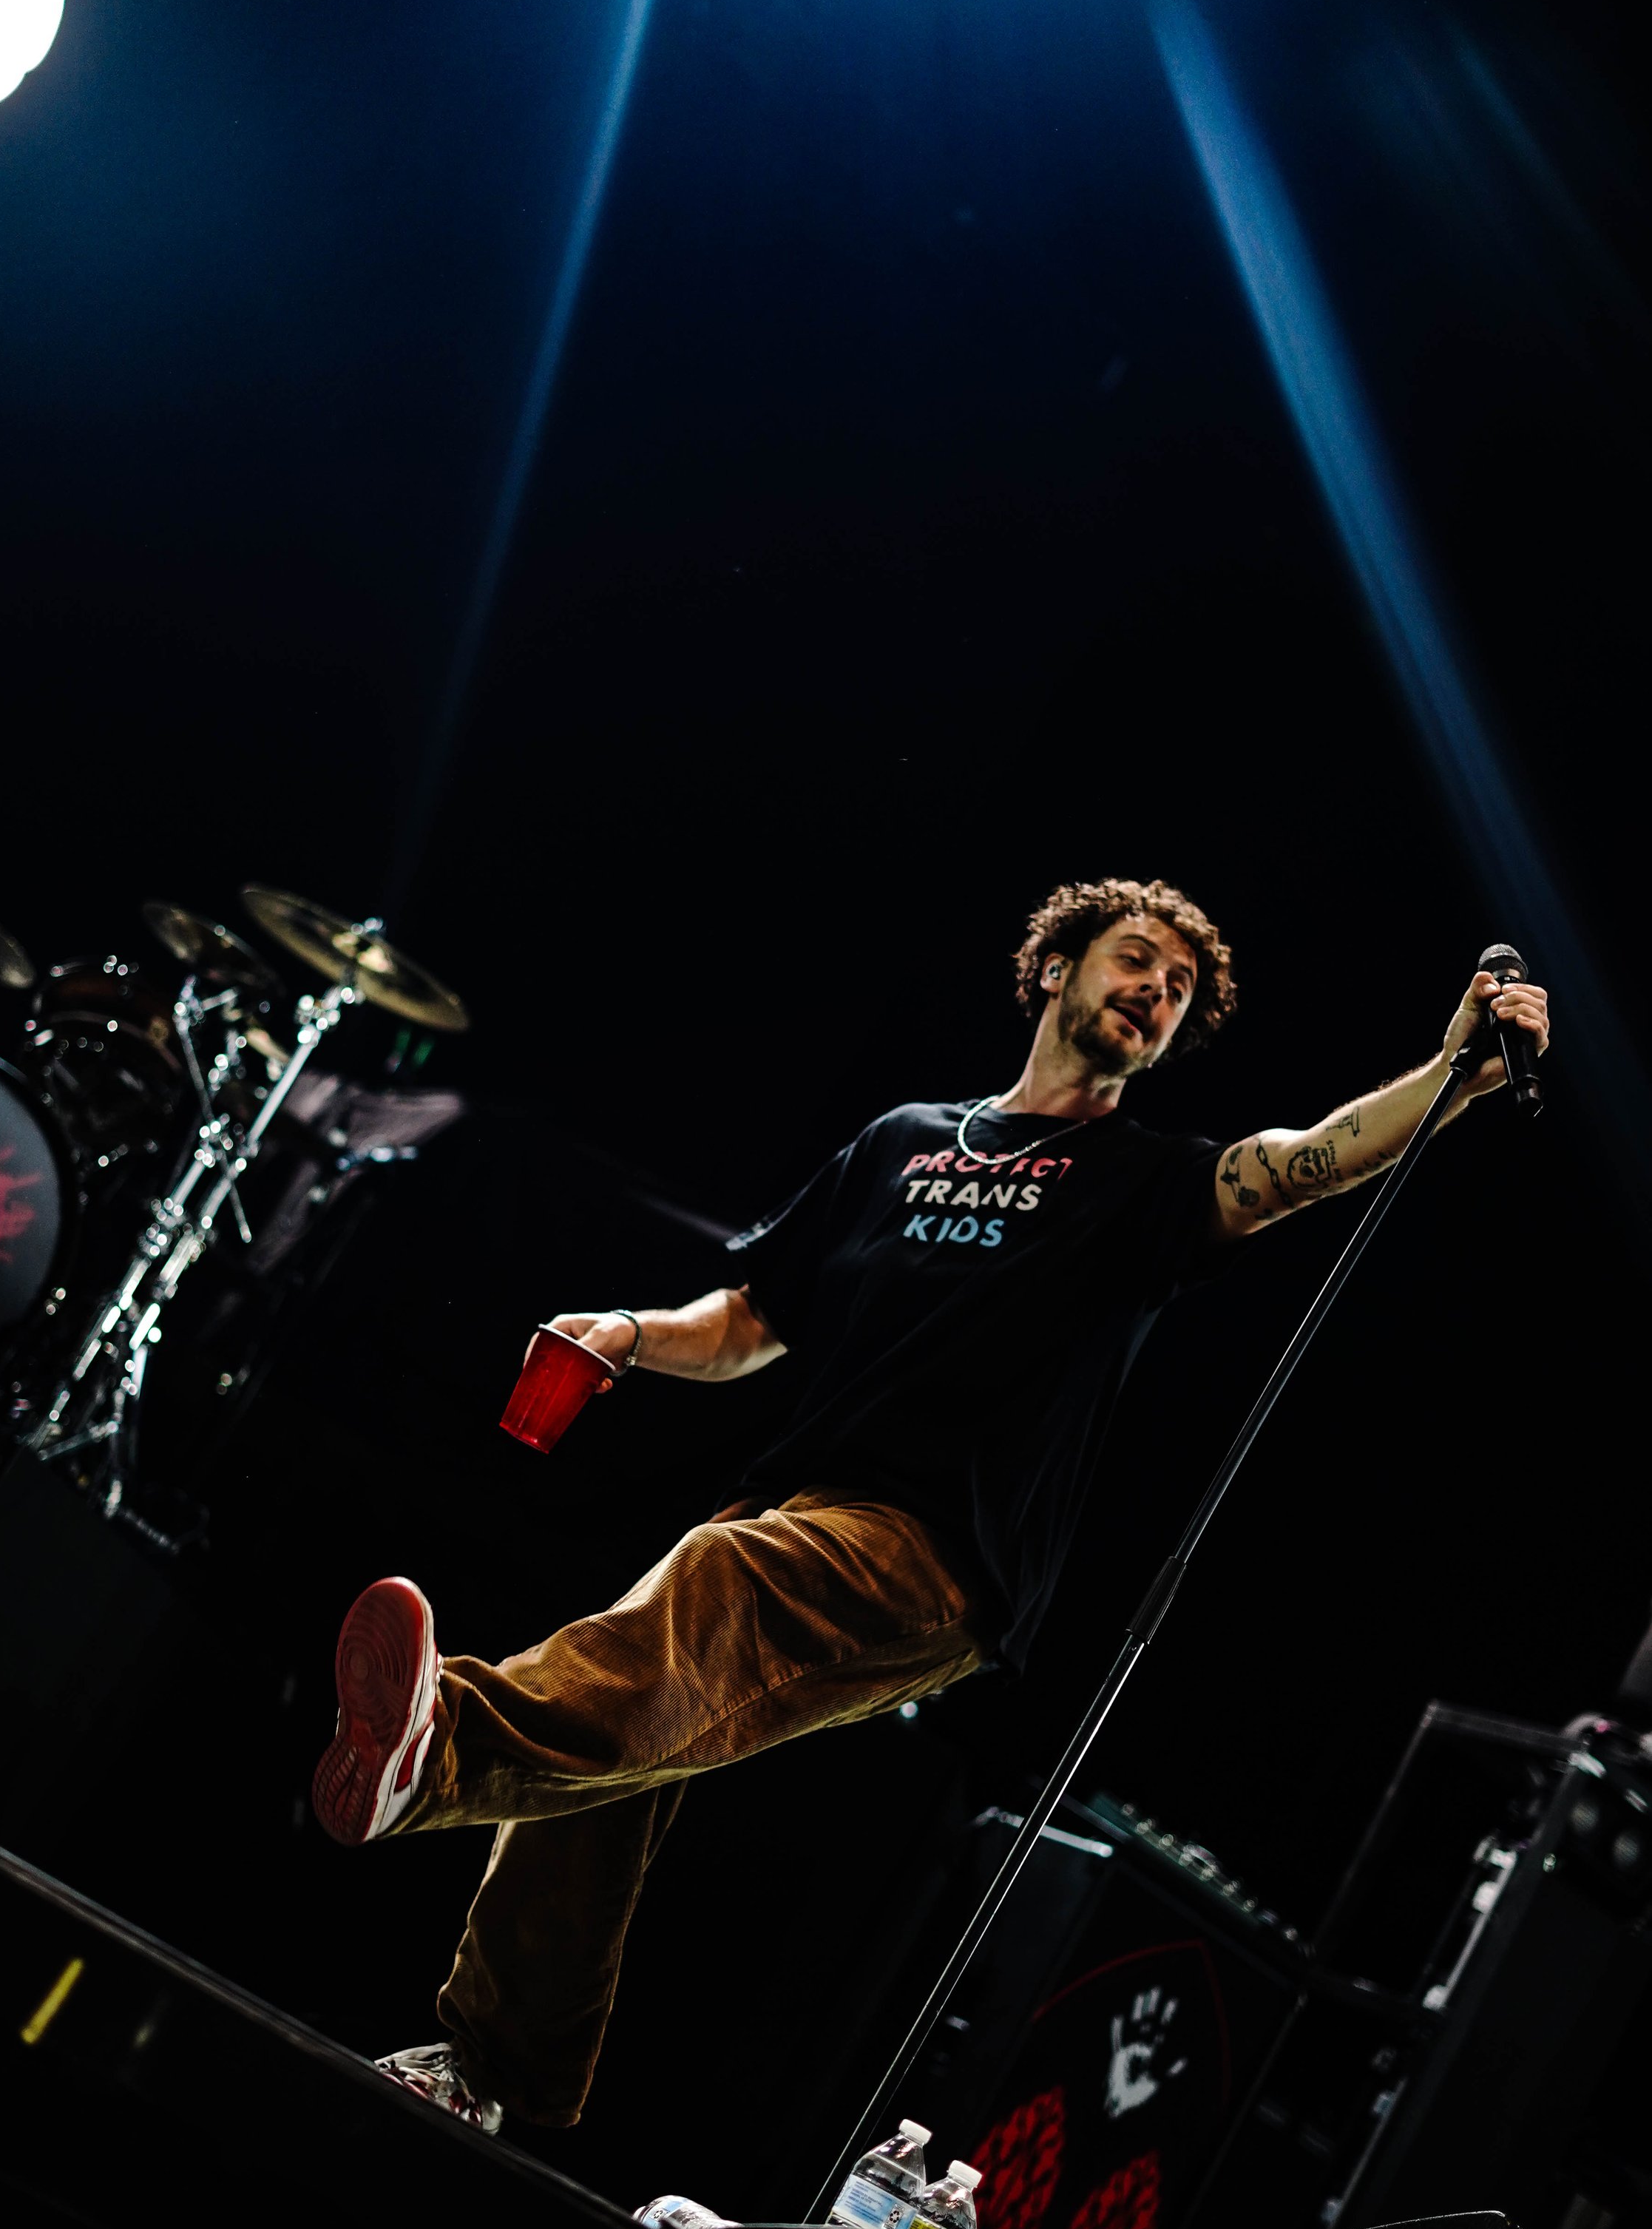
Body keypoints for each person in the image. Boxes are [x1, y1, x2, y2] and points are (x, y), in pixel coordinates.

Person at [311, 876, 1549, 2134]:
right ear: (1055, 967)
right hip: (792, 1505)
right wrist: (630, 1331)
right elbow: (753, 1319)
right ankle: (493, 2073)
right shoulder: (902, 1141)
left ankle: (443, 1743)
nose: (1156, 995)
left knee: (697, 1592)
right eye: (1135, 962)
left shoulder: (1143, 1182)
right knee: (629, 1735)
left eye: (1178, 992)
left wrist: (1447, 1075)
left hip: (935, 1552)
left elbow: (1295, 1168)